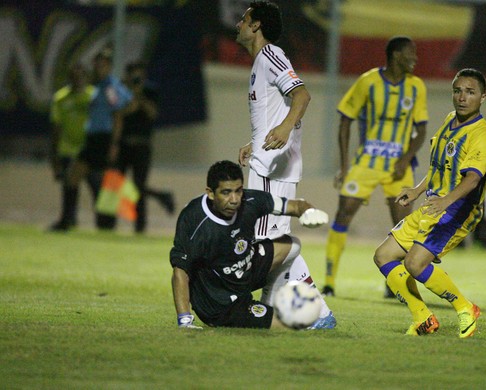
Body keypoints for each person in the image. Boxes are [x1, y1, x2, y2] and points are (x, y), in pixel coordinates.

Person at [235, 2, 336, 328]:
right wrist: (258, 139)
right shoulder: (260, 63)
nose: (238, 23)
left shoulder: (270, 55)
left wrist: (284, 128)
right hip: (267, 160)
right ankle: (293, 311)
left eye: (244, 19)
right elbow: (274, 111)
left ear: (256, 26)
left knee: (271, 243)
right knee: (273, 240)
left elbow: (302, 96)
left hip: (271, 168)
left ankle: (317, 314)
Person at [373, 68, 486, 338]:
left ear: (483, 97)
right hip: (433, 204)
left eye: (470, 92)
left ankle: (466, 307)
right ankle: (423, 317)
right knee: (383, 256)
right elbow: (441, 166)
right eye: (458, 90)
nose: (462, 97)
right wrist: (417, 191)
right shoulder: (450, 120)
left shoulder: (481, 134)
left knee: (415, 264)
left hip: (458, 209)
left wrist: (445, 201)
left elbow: (472, 179)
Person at [321, 36, 428, 298]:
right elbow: (345, 121)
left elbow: (422, 129)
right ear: (395, 56)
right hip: (366, 162)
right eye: (410, 53)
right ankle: (329, 282)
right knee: (343, 213)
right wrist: (345, 166)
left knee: (403, 226)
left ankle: (394, 284)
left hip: (398, 169)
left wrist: (405, 159)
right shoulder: (367, 82)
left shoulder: (416, 87)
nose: (415, 58)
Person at [170, 160, 330, 329]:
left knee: (292, 245)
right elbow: (180, 271)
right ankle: (265, 312)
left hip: (244, 273)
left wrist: (308, 211)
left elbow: (295, 205)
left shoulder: (250, 200)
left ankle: (270, 300)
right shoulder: (195, 219)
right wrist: (185, 320)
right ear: (210, 193)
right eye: (226, 193)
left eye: (238, 191)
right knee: (290, 325)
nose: (234, 200)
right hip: (220, 304)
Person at [52, 47, 133, 231]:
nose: (99, 68)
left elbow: (118, 114)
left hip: (102, 139)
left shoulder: (109, 87)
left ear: (109, 66)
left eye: (103, 65)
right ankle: (71, 220)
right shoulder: (101, 86)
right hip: (94, 139)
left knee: (98, 180)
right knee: (79, 178)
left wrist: (114, 143)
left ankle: (97, 222)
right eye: (97, 64)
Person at [118, 61, 175, 234]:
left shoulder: (150, 91)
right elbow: (120, 113)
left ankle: (139, 226)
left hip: (142, 144)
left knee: (138, 186)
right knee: (118, 183)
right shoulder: (121, 91)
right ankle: (161, 196)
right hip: (123, 143)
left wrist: (139, 95)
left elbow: (152, 113)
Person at [48, 64, 95, 231]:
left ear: (86, 77)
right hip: (67, 150)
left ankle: (105, 223)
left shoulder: (93, 96)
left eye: (81, 75)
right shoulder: (60, 98)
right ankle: (68, 220)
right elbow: (56, 128)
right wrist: (54, 157)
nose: (78, 79)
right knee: (69, 188)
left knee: (98, 189)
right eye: (74, 75)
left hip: (90, 151)